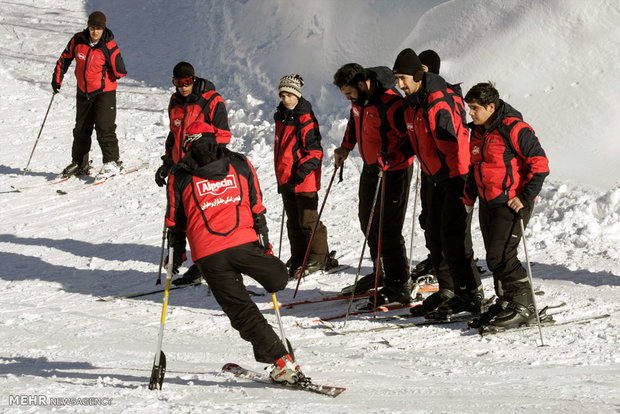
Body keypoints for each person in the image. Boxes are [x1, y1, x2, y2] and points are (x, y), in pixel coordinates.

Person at [165, 121, 305, 384]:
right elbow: (256, 201)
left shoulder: (180, 174)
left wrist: (176, 254)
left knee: (241, 310)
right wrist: (262, 235)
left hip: (209, 254)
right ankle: (278, 359)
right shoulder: (239, 163)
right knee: (277, 279)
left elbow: (175, 220)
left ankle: (278, 358)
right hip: (244, 243)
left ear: (187, 144)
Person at [390, 48, 483, 319]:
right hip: (433, 177)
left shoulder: (438, 103)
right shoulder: (413, 105)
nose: (400, 84)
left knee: (453, 237)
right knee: (434, 235)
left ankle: (471, 293)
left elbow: (454, 146)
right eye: (397, 78)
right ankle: (448, 289)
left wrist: (459, 182)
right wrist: (397, 154)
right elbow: (415, 141)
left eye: (404, 78)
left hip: (454, 177)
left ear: (419, 75)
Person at [463, 82, 549, 328]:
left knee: (501, 256)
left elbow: (540, 164)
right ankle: (506, 301)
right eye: (470, 108)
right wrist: (468, 200)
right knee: (494, 258)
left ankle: (526, 305)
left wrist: (524, 197)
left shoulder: (514, 129)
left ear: (491, 107)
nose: (471, 113)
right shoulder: (478, 131)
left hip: (511, 203)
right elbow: (474, 168)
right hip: (488, 202)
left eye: (475, 108)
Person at [333, 63, 413, 306]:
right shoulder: (359, 102)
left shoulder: (390, 103)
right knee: (368, 222)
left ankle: (399, 284)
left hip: (394, 171)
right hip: (371, 168)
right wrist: (345, 147)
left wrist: (393, 156)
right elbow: (353, 125)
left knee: (388, 229)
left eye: (348, 93)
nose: (347, 98)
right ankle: (381, 272)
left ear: (361, 84)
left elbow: (408, 139)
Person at [156, 61, 232, 286]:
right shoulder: (174, 101)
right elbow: (174, 135)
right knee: (178, 216)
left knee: (200, 219)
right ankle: (178, 256)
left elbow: (223, 137)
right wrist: (167, 163)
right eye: (178, 83)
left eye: (187, 82)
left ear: (194, 79)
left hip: (202, 170)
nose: (183, 87)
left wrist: (206, 159)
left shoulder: (211, 100)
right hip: (181, 169)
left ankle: (205, 263)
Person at [274, 74, 336, 277]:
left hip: (302, 179)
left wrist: (301, 171)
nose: (286, 99)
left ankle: (319, 257)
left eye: (290, 95)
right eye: (283, 95)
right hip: (286, 178)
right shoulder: (281, 116)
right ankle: (300, 255)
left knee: (307, 220)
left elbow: (315, 150)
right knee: (293, 221)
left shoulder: (304, 116)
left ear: (297, 94)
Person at [52, 11, 127, 179]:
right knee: (81, 129)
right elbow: (64, 59)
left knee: (104, 128)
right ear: (88, 26)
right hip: (83, 92)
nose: (95, 32)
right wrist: (57, 80)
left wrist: (107, 76)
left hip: (104, 93)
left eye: (99, 29)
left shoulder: (109, 46)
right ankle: (80, 163)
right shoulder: (78, 40)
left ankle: (112, 163)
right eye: (93, 28)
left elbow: (121, 71)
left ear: (103, 28)